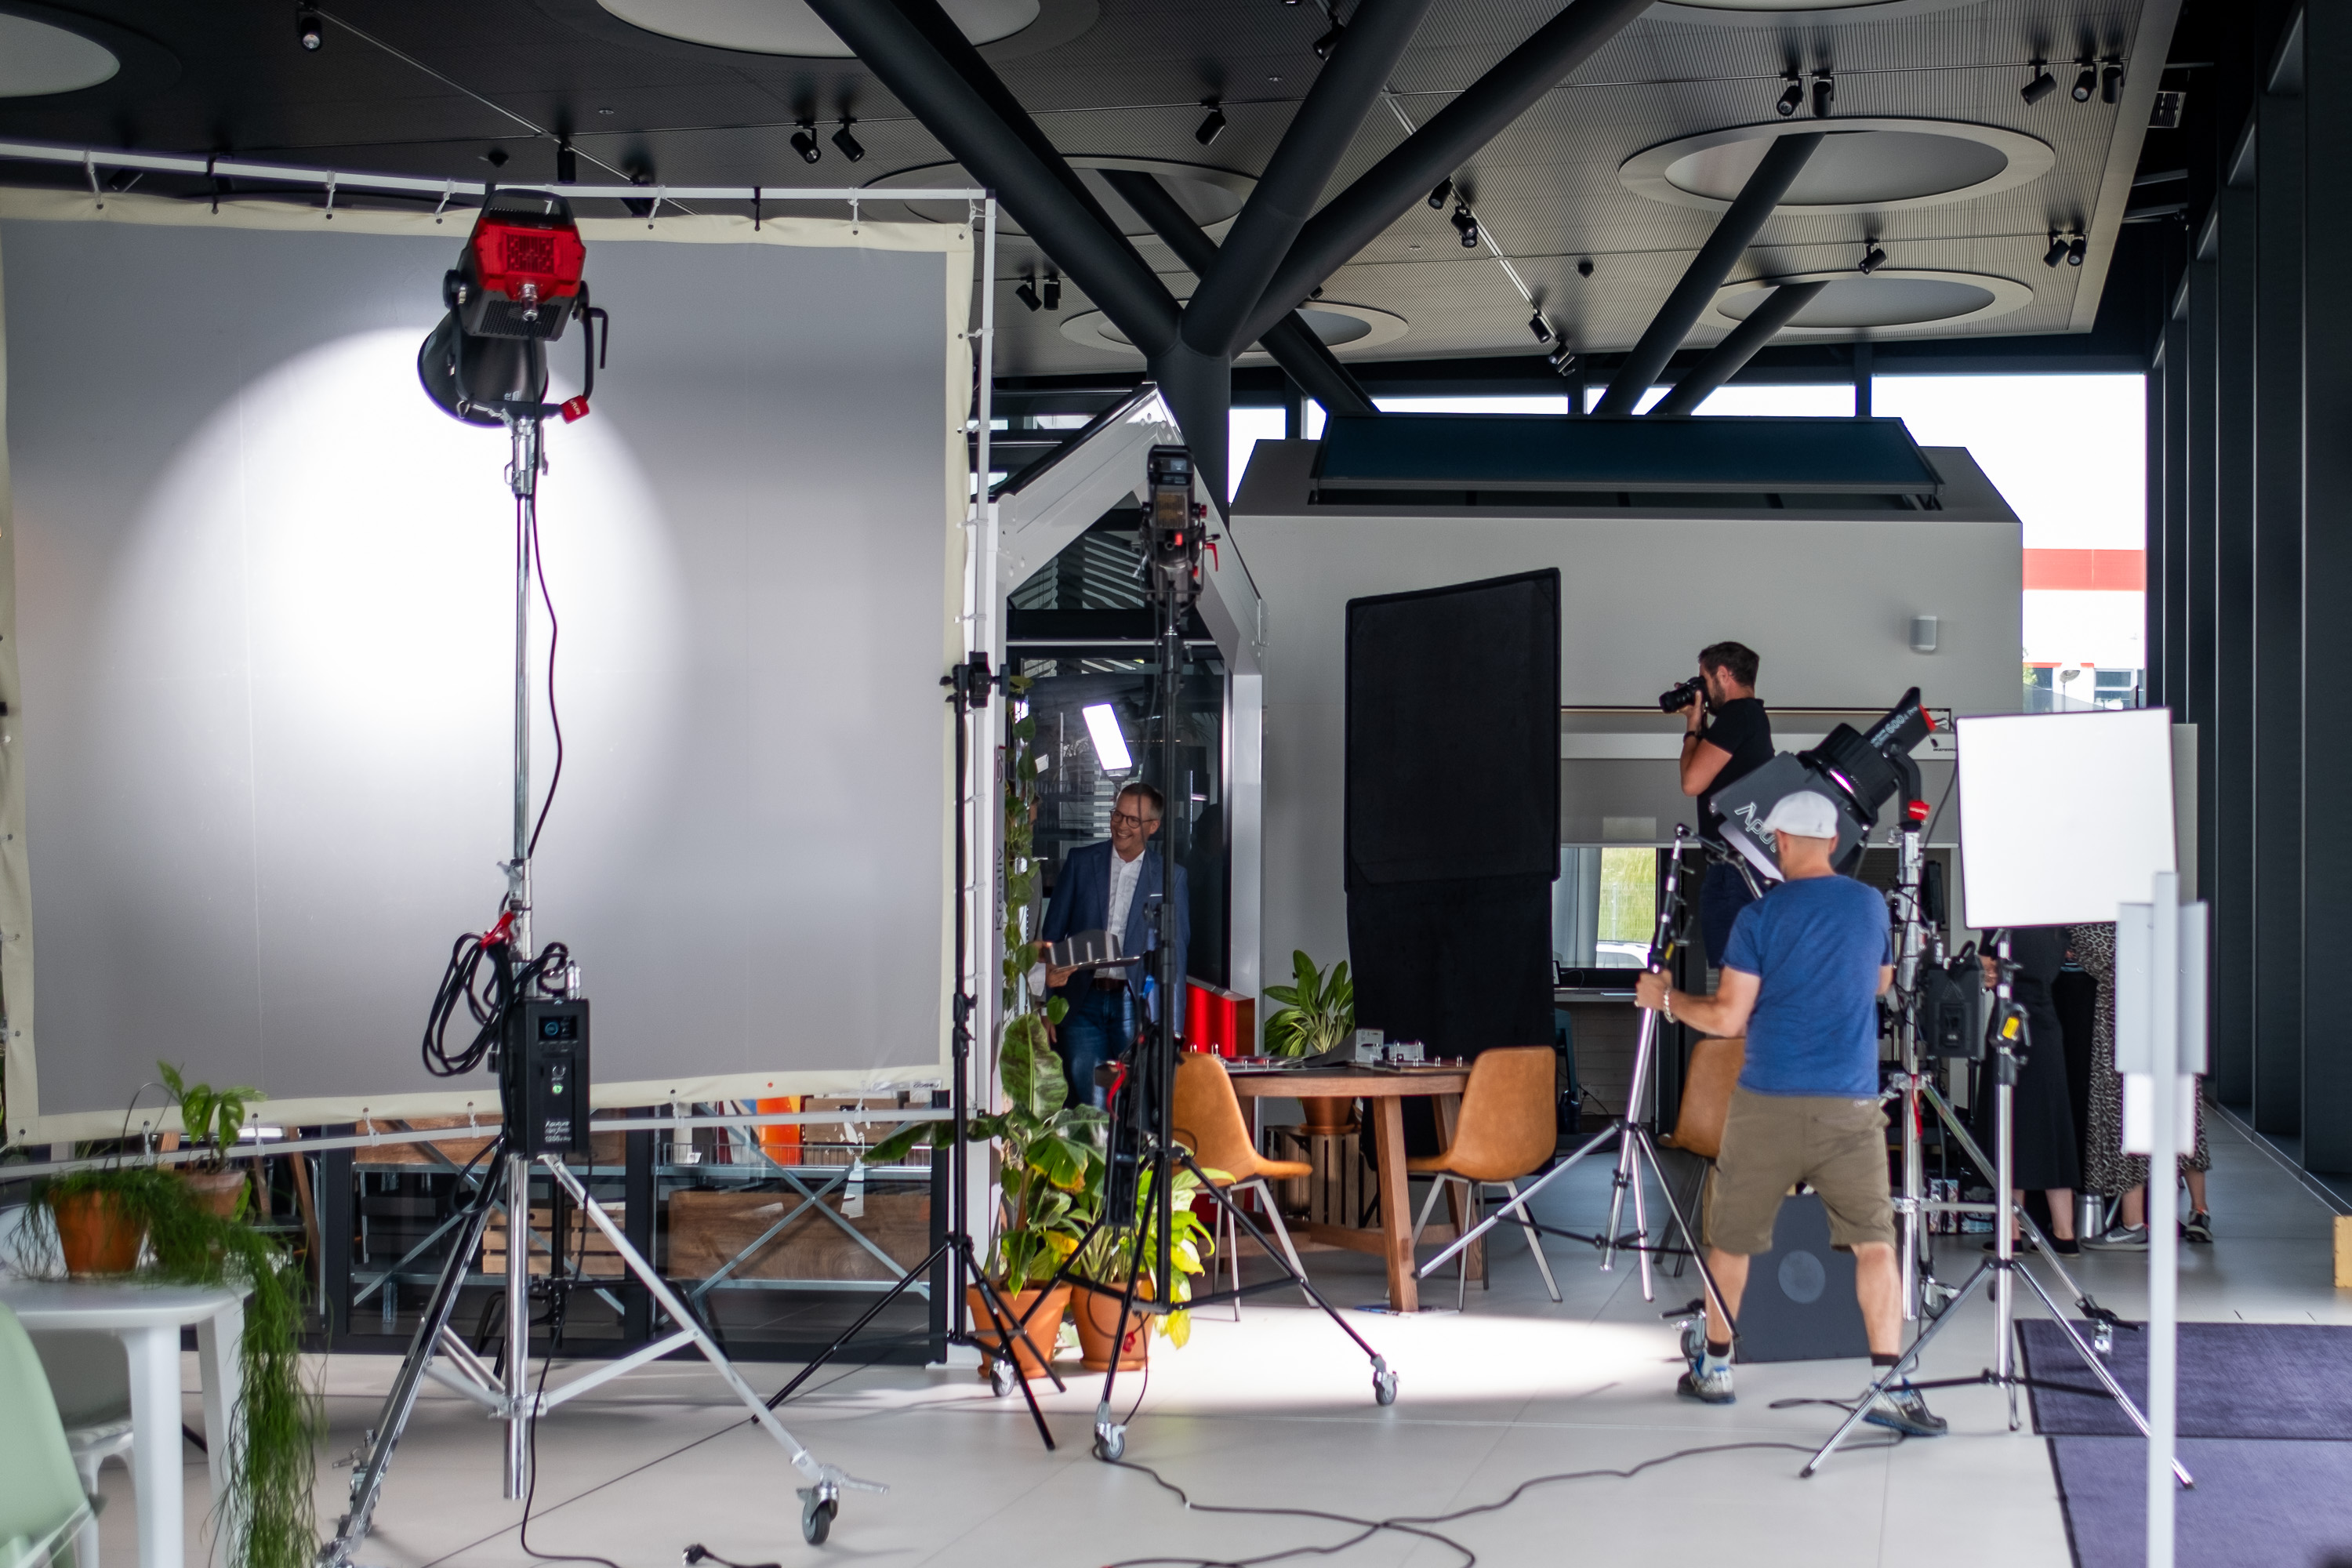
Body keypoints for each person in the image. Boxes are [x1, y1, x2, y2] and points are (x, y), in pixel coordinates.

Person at [1634, 789, 1944, 1437]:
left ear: (1777, 842)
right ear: (1833, 842)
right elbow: (1882, 982)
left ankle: (1716, 1368)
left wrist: (1665, 1000)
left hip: (1767, 1105)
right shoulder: (1867, 907)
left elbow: (1725, 1019)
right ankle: (1887, 1383)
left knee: (1733, 1241)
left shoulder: (1759, 917)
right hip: (1850, 1109)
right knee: (1874, 1244)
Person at [1036, 782, 1189, 1111]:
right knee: (1090, 1099)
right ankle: (1096, 1161)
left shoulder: (1169, 878)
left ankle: (1125, 1163)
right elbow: (1052, 936)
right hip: (1082, 1002)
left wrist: (1173, 1031)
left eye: (1132, 820)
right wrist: (1048, 1007)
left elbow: (1174, 956)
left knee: (1133, 1103)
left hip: (1133, 1006)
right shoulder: (1080, 862)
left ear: (1153, 826)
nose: (1121, 825)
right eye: (1117, 815)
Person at [2067, 922, 2212, 1247]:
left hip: (2126, 1025)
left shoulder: (2096, 926)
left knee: (2126, 1114)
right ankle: (2200, 1211)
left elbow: (2097, 958)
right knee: (2182, 1114)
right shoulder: (2160, 915)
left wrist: (2072, 939)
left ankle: (2133, 1224)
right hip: (2172, 1019)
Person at [1977, 928, 2080, 1255]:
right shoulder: (2058, 924)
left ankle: (2011, 1232)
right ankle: (2065, 1233)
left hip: (2009, 1020)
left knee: (2011, 1122)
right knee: (2053, 1125)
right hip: (2047, 1025)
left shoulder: (2001, 923)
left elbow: (1987, 974)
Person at [1675, 641, 1775, 968]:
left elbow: (1692, 782)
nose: (1702, 688)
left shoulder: (1740, 714)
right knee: (1736, 973)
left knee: (1739, 973)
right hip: (1732, 863)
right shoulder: (1748, 718)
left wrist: (1692, 724)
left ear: (1723, 674)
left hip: (1738, 868)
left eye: (1703, 679)